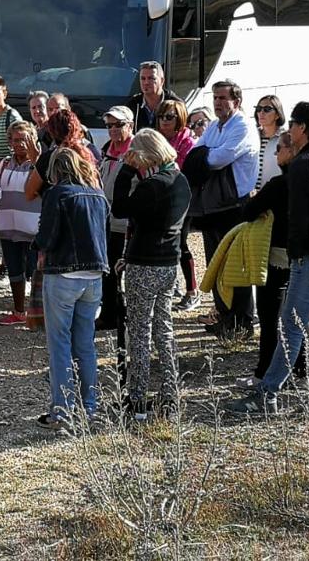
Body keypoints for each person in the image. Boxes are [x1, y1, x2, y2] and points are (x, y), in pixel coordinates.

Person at [228, 102, 309, 417]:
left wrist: (297, 256)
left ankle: (267, 394)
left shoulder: (304, 165)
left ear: (303, 128)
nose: (289, 130)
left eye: (293, 125)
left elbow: (298, 216)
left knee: (290, 324)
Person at [111, 129, 191, 420]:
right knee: (164, 330)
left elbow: (119, 208)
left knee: (141, 334)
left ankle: (137, 400)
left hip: (144, 264)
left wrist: (126, 171)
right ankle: (170, 396)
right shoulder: (181, 181)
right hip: (169, 262)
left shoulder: (151, 185)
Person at [35, 148, 110, 431]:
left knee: (60, 345)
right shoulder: (97, 193)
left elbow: (47, 236)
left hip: (64, 274)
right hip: (94, 275)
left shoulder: (58, 193)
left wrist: (39, 247)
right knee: (85, 343)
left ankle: (62, 411)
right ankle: (90, 408)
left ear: (56, 170)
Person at [185, 80, 259, 338]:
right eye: (215, 97)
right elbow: (195, 152)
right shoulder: (215, 127)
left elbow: (219, 158)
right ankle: (224, 317)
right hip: (213, 206)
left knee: (236, 266)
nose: (217, 102)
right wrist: (206, 151)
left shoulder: (243, 125)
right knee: (216, 264)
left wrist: (206, 152)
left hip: (235, 206)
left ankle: (241, 323)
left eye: (223, 98)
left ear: (236, 102)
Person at [234, 131, 296, 390]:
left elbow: (248, 211)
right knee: (296, 317)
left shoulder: (279, 185)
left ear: (291, 150)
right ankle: (298, 370)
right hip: (304, 257)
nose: (275, 153)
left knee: (271, 317)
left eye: (279, 148)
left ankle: (264, 372)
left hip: (276, 256)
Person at [0, 121, 41, 326]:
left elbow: (46, 183)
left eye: (24, 139)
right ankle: (19, 310)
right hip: (7, 227)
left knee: (35, 271)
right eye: (15, 140)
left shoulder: (39, 164)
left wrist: (37, 157)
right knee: (14, 270)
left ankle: (37, 312)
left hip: (33, 229)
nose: (20, 144)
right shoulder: (4, 163)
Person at [157, 99, 200, 311]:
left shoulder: (188, 143)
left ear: (180, 118)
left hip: (183, 201)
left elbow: (183, 173)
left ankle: (192, 291)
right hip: (162, 200)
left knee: (181, 245)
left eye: (169, 117)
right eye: (161, 117)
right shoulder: (159, 139)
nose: (163, 121)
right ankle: (171, 286)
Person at [97, 107, 134, 353]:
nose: (113, 130)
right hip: (106, 220)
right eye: (109, 125)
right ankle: (109, 314)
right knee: (107, 270)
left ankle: (125, 318)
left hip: (126, 223)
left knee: (124, 271)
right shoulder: (106, 150)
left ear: (130, 125)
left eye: (118, 124)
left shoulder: (135, 152)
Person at [26, 109, 99, 201]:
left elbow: (29, 194)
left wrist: (34, 162)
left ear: (51, 132)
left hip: (58, 212)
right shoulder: (90, 152)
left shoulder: (49, 158)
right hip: (88, 211)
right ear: (77, 128)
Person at [127, 61, 180, 131]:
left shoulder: (176, 105)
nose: (146, 83)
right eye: (143, 78)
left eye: (151, 78)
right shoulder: (133, 105)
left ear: (162, 81)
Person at [254, 94, 286, 190]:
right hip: (250, 197)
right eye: (259, 109)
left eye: (267, 109)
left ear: (277, 114)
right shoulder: (251, 136)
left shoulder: (286, 138)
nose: (261, 113)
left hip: (275, 196)